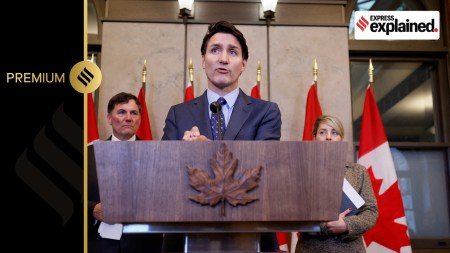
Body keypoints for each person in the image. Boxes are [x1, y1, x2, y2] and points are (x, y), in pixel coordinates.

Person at [161, 20, 282, 251]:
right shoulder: (178, 113)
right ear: (203, 61)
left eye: (233, 52)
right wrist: (182, 153)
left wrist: (207, 151)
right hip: (186, 231)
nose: (223, 59)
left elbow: (264, 169)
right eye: (215, 50)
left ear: (243, 64)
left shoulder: (266, 111)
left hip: (250, 231)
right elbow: (163, 174)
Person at [88, 92, 163, 253]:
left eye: (134, 113)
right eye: (121, 112)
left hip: (144, 245)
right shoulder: (88, 155)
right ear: (109, 118)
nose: (128, 118)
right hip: (97, 244)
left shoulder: (157, 155)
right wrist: (92, 209)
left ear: (139, 119)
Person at [295, 115, 378, 253]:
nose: (328, 137)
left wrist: (346, 225)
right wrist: (324, 226)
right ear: (314, 138)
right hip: (310, 248)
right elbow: (292, 213)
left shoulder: (358, 172)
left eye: (334, 132)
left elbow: (371, 211)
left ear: (341, 139)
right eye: (322, 132)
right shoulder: (299, 172)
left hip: (351, 249)